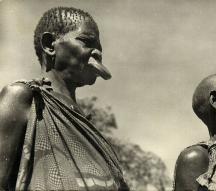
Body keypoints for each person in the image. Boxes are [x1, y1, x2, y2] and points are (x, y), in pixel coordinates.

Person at [0, 7, 129, 190]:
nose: (98, 53)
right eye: (86, 42)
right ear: (50, 45)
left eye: (99, 48)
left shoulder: (89, 129)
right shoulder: (23, 98)